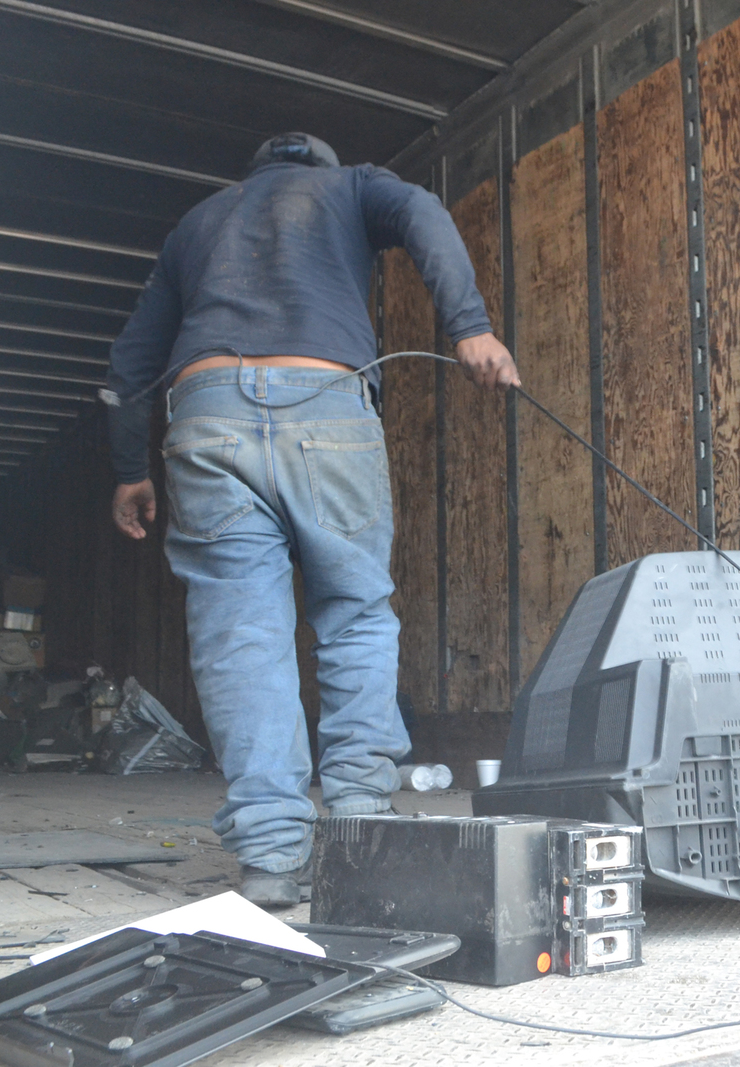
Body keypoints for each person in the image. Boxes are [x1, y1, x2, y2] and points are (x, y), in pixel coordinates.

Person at [106, 133, 519, 905]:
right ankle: (361, 828)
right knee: (355, 612)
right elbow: (422, 211)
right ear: (319, 171)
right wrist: (468, 323)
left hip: (207, 413)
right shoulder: (354, 186)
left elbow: (130, 363)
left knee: (240, 633)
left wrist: (131, 468)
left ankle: (271, 854)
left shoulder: (198, 223)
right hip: (325, 402)